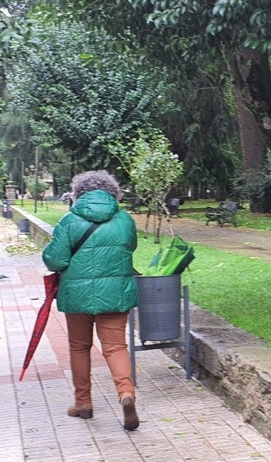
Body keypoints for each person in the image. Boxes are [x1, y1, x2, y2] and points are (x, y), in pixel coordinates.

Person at [42, 170, 140, 431]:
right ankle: (126, 394)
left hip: (78, 295)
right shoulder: (125, 220)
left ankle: (83, 403)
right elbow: (130, 247)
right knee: (116, 347)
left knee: (79, 347)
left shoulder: (68, 221)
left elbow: (55, 260)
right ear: (113, 192)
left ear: (78, 193)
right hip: (115, 292)